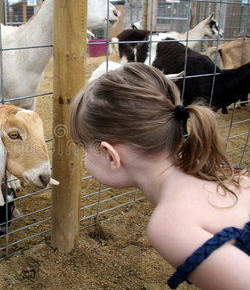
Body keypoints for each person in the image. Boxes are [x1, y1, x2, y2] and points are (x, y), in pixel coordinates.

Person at [70, 63, 250, 289]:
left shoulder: (169, 226)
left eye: (83, 148)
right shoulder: (223, 171)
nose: (83, 158)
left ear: (110, 155)